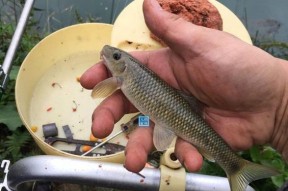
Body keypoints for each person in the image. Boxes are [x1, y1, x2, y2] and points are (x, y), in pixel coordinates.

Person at [80, 0, 288, 173]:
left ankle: (235, 167)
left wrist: (281, 100)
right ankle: (235, 166)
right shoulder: (123, 76)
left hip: (184, 118)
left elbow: (99, 92)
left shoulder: (123, 76)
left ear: (123, 64)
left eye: (116, 56)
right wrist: (281, 100)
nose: (110, 54)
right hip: (178, 117)